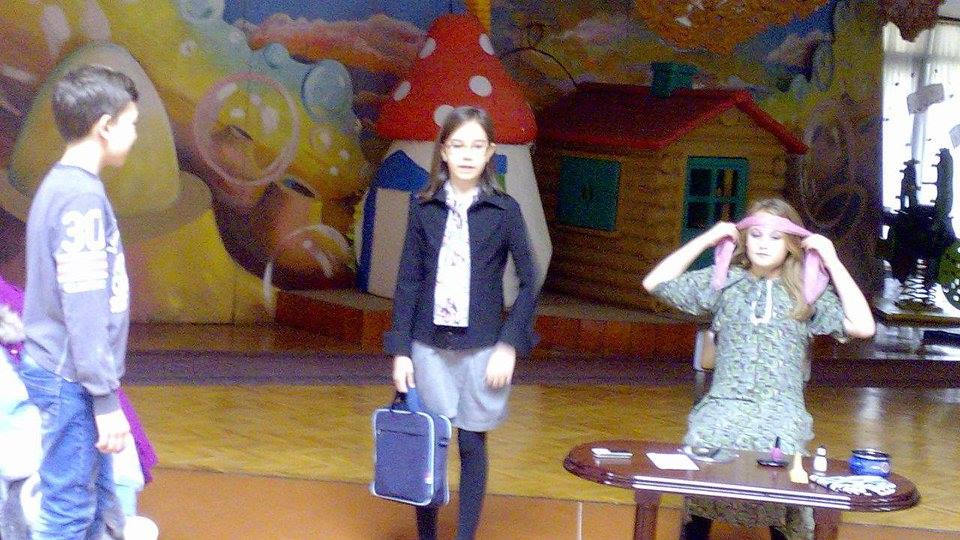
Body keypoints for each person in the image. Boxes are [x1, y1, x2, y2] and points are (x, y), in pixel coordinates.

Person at [641, 198, 875, 540]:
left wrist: (832, 260)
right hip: (723, 405)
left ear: (791, 243)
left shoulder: (807, 291)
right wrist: (707, 239)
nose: (764, 244)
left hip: (780, 409)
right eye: (756, 235)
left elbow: (863, 326)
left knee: (785, 479)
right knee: (703, 453)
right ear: (744, 239)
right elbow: (655, 283)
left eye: (775, 237)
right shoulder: (725, 282)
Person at [384, 105, 540, 540]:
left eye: (477, 145)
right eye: (458, 145)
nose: (467, 154)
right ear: (444, 151)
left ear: (490, 152)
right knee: (429, 445)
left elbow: (530, 279)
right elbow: (409, 280)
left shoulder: (504, 210)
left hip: (483, 348)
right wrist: (401, 351)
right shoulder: (423, 207)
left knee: (471, 444)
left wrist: (509, 344)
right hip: (428, 347)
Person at [17, 64, 138, 539]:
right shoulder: (80, 199)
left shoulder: (64, 186)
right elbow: (83, 307)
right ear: (104, 126)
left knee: (95, 506)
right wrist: (105, 400)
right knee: (69, 511)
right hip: (70, 379)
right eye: (131, 123)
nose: (135, 134)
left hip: (70, 376)